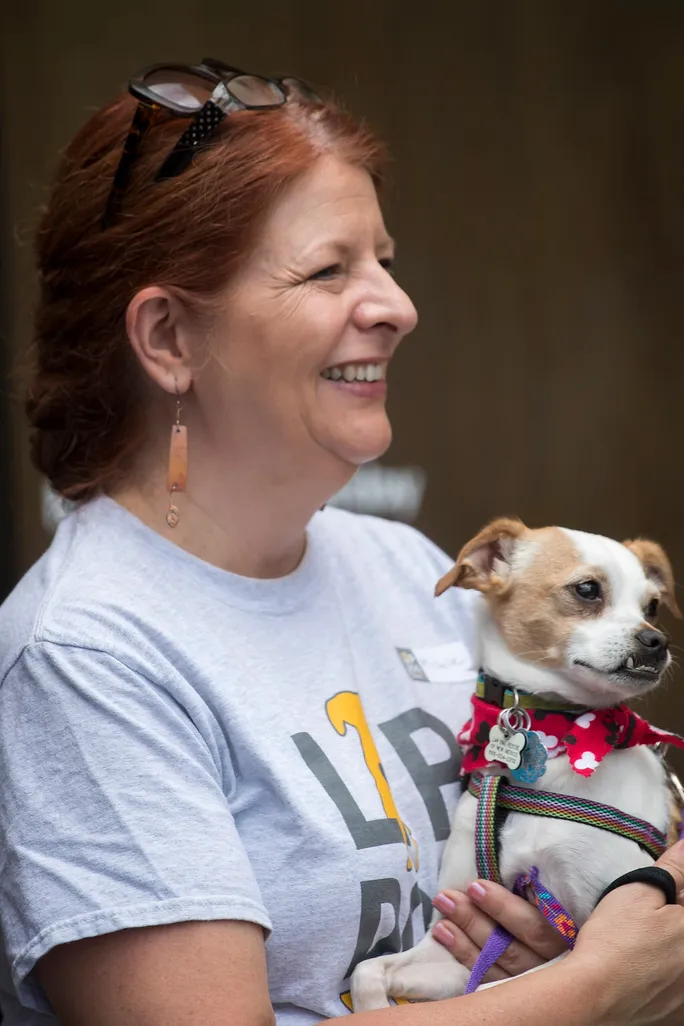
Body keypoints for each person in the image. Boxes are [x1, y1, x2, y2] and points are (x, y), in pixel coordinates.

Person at [0, 59, 683, 1026]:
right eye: (329, 270)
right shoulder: (89, 656)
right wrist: (604, 988)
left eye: (386, 263)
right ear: (169, 340)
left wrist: (566, 945)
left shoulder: (404, 566)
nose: (397, 309)